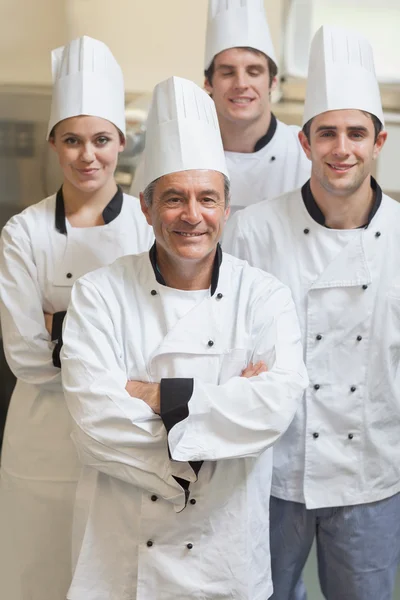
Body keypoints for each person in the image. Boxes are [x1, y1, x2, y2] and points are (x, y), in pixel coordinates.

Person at [60, 75, 308, 600]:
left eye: (207, 199)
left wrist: (155, 395)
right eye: (174, 199)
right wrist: (220, 422)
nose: (192, 216)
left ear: (225, 207)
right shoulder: (99, 294)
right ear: (146, 209)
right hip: (123, 558)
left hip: (226, 558)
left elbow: (274, 408)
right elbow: (92, 422)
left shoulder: (264, 296)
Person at [224, 25, 400, 600]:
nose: (341, 148)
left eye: (356, 133)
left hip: (371, 473)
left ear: (380, 142)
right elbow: (223, 340)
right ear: (305, 143)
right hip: (272, 471)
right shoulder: (252, 231)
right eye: (327, 133)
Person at [0, 35, 153, 600]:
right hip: (42, 447)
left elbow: (156, 346)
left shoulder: (148, 228)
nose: (87, 155)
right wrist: (117, 343)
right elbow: (26, 358)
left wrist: (58, 322)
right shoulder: (24, 232)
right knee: (34, 578)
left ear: (121, 142)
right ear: (53, 144)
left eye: (101, 140)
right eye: (72, 140)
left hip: (123, 445)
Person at [130, 0, 310, 214]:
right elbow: (139, 229)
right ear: (208, 83)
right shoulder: (170, 150)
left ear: (273, 82)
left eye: (253, 72)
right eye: (227, 72)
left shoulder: (304, 153)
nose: (241, 84)